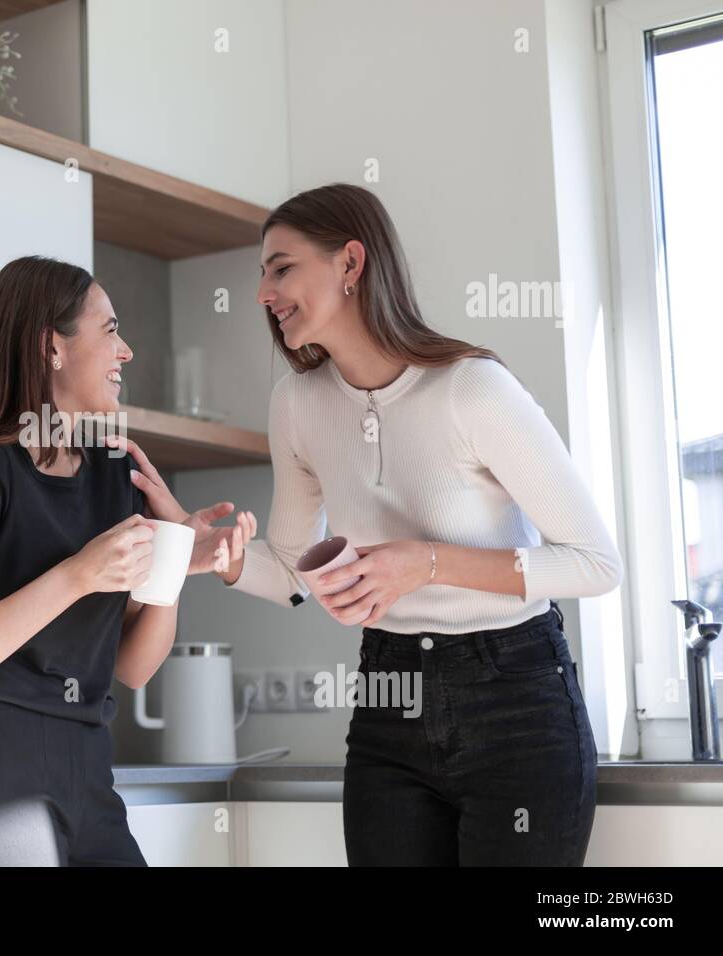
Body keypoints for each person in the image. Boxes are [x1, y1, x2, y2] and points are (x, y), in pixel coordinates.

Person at [119, 183, 623, 865]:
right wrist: (207, 549)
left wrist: (427, 563)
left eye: (281, 267)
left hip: (516, 704)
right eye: (262, 274)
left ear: (351, 264)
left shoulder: (471, 388)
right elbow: (294, 570)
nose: (264, 292)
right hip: (391, 704)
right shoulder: (296, 404)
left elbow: (596, 563)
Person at [0, 255, 240, 866]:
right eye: (109, 330)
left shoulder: (114, 473)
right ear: (50, 346)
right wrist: (78, 574)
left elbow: (133, 667)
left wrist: (172, 558)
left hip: (88, 773)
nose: (127, 351)